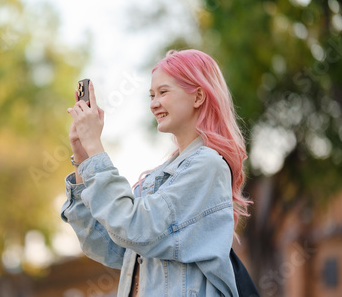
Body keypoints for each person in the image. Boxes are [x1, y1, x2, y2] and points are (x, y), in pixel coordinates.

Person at [61, 49, 251, 296]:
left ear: (198, 96)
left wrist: (96, 148)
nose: (153, 103)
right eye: (151, 95)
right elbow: (108, 246)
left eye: (163, 92)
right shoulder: (159, 177)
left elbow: (137, 228)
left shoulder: (207, 166)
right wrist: (82, 156)